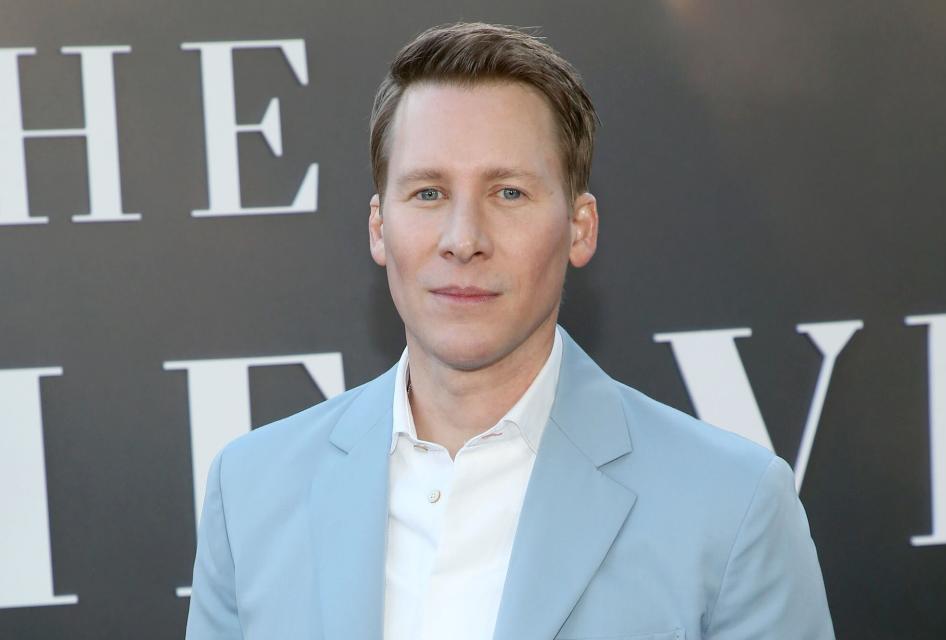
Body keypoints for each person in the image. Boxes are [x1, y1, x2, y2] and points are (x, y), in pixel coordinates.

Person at [185, 22, 835, 640]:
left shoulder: (732, 506)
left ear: (580, 228)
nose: (463, 239)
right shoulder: (249, 495)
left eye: (509, 193)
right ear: (379, 227)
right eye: (429, 193)